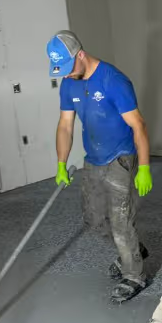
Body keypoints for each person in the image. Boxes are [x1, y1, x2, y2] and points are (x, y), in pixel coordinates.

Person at [47, 30, 153, 303]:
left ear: (80, 55)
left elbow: (138, 125)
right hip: (92, 159)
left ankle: (134, 275)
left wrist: (143, 167)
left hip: (120, 157)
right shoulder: (69, 84)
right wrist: (61, 163)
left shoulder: (113, 80)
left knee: (120, 222)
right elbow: (65, 126)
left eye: (70, 68)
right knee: (93, 219)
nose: (68, 75)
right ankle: (133, 248)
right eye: (63, 71)